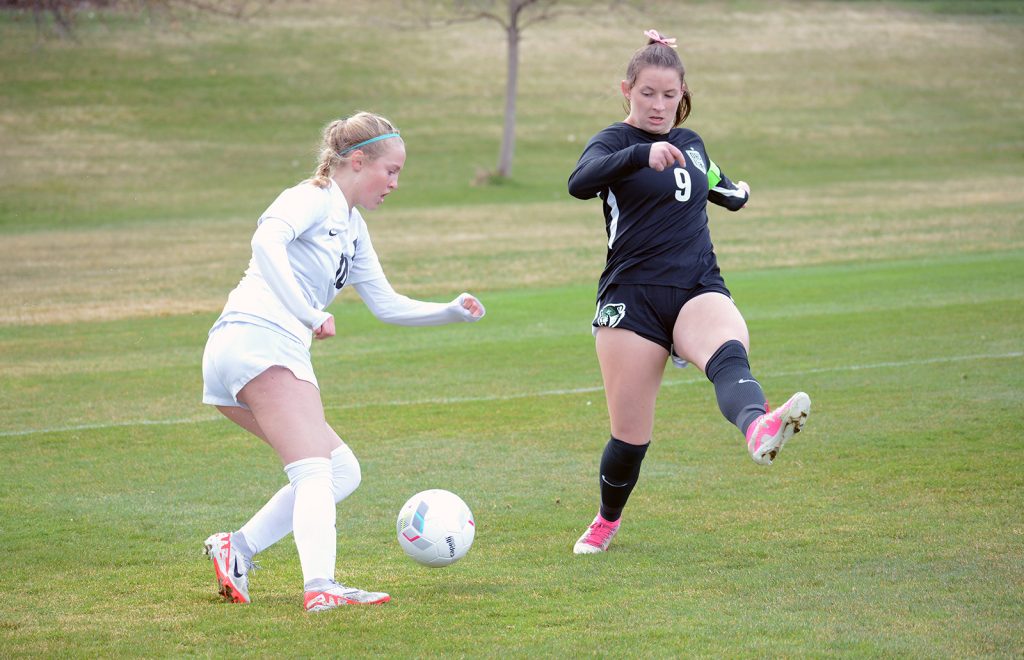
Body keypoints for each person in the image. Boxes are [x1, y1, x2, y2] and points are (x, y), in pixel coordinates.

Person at [200, 111, 485, 611]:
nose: (395, 183)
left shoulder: (352, 227)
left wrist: (449, 311)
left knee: (340, 470)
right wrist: (309, 312)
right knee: (314, 471)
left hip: (241, 351)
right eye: (391, 170)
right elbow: (264, 242)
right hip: (260, 341)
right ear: (357, 161)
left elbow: (386, 304)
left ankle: (237, 548)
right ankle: (321, 588)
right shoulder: (311, 197)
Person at [567, 30, 810, 555]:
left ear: (683, 95)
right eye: (647, 93)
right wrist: (639, 156)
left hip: (697, 286)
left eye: (669, 95)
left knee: (728, 355)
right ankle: (607, 520)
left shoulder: (691, 144)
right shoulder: (614, 142)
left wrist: (739, 191)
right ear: (627, 90)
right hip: (633, 300)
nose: (659, 105)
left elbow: (724, 188)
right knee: (630, 436)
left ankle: (759, 427)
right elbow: (580, 181)